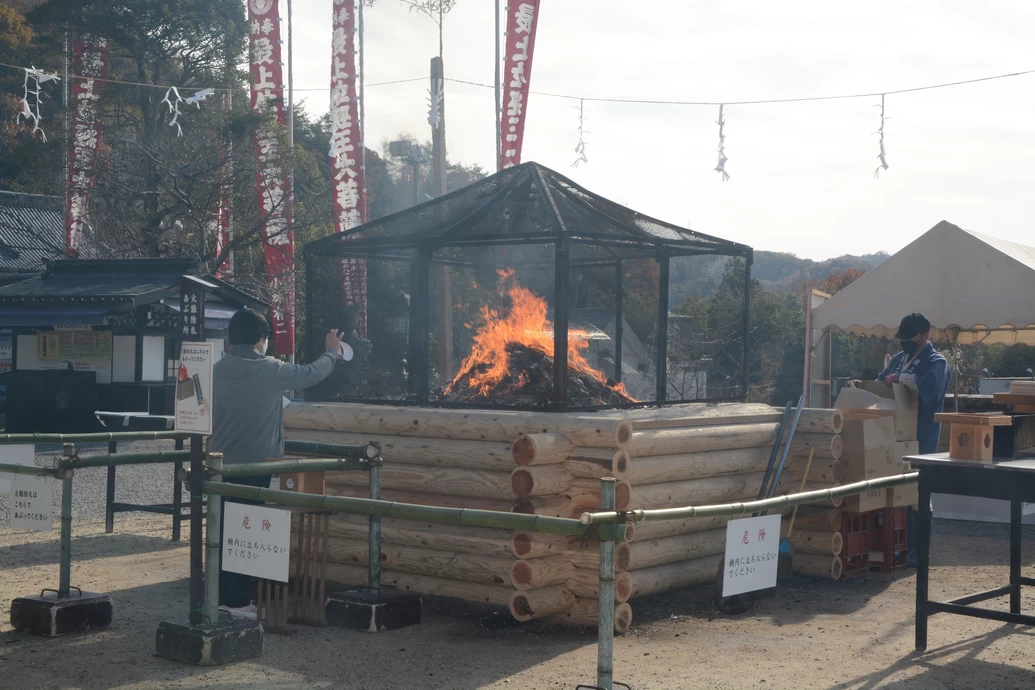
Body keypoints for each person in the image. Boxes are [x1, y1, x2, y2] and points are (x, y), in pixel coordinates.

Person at [209, 308, 345, 616]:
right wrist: (331, 352)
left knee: (222, 531)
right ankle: (239, 602)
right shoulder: (272, 370)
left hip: (219, 465)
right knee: (245, 534)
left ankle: (218, 597)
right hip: (258, 466)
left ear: (231, 338)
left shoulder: (215, 369)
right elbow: (313, 373)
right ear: (261, 340)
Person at [875, 313, 950, 567]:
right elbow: (880, 381)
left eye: (910, 338)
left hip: (922, 437)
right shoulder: (898, 359)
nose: (905, 342)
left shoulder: (936, 362)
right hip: (895, 436)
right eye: (903, 338)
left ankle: (920, 550)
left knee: (919, 493)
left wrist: (905, 379)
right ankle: (901, 546)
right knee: (898, 493)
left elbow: (932, 391)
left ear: (925, 336)